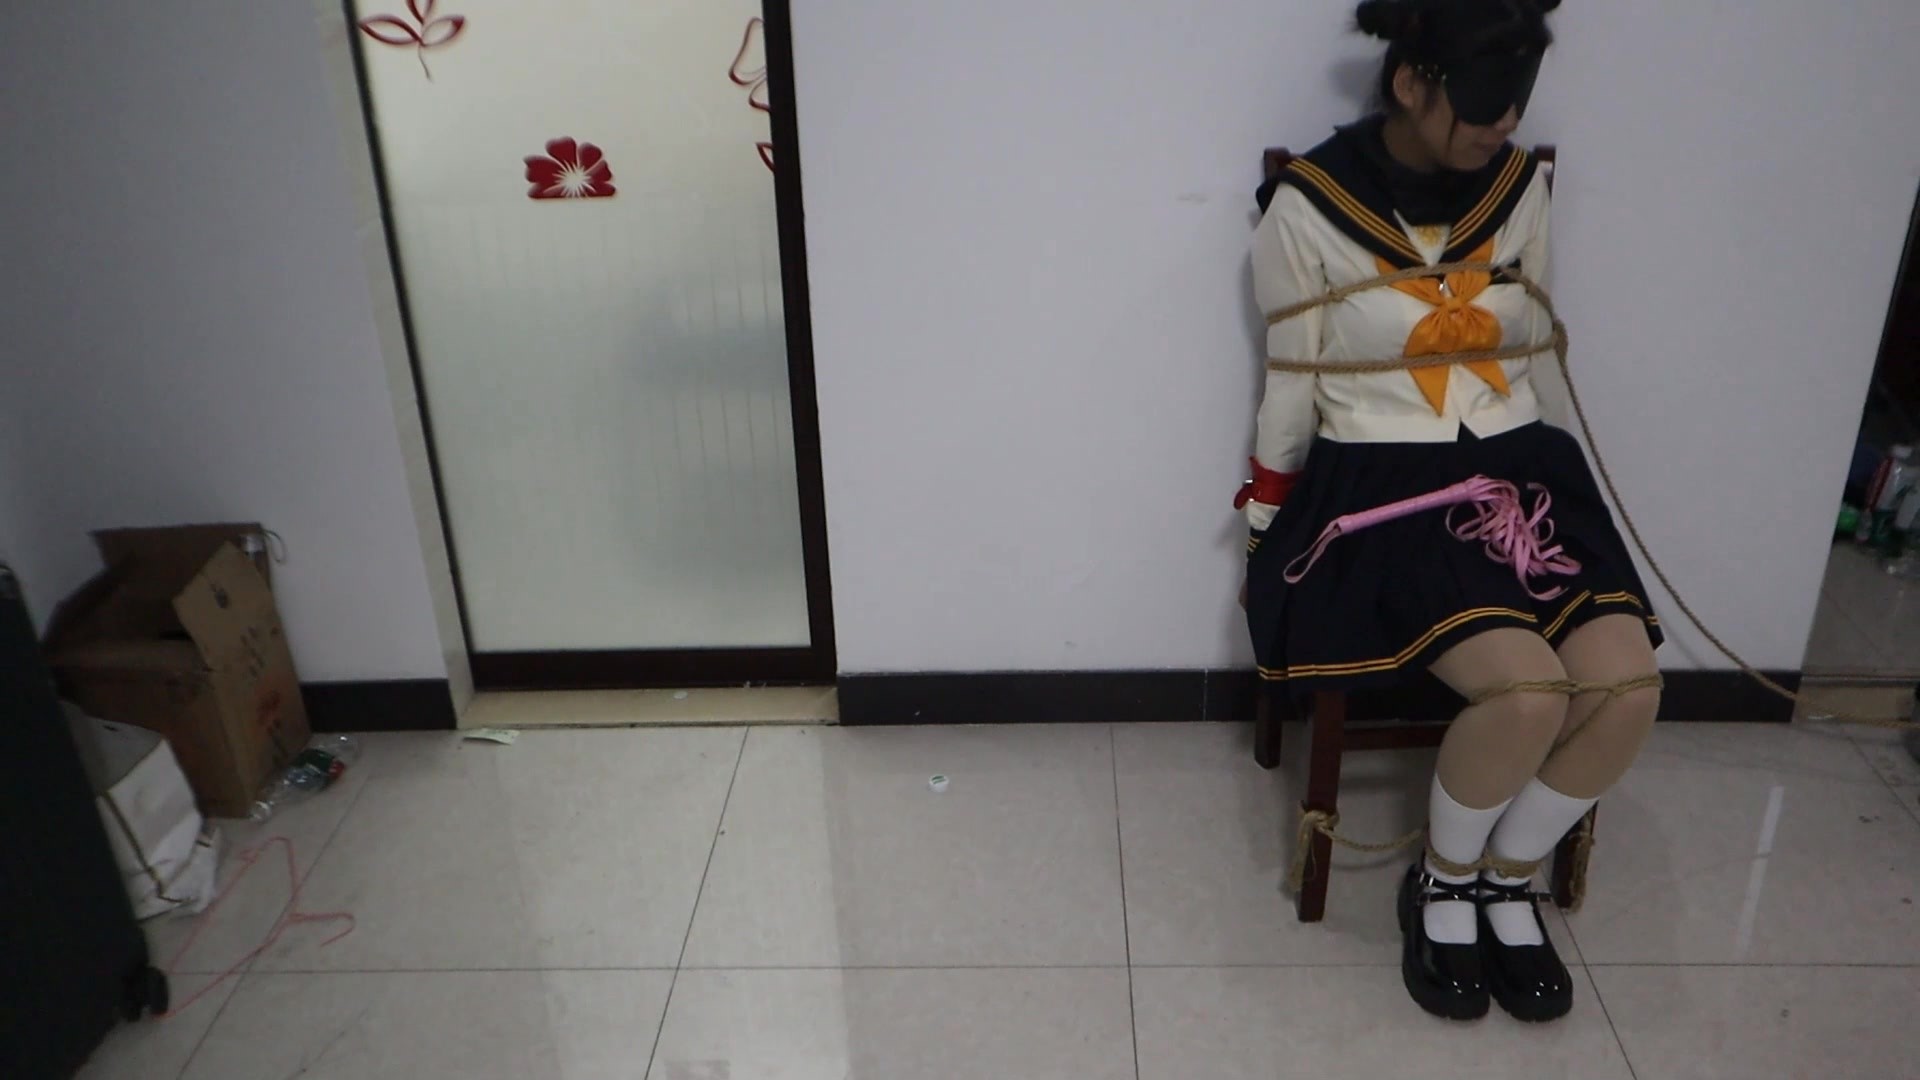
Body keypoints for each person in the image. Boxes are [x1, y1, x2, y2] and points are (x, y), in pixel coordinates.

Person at [1239, 0, 1662, 1023]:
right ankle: (1440, 881)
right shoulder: (1309, 207)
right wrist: (1265, 519)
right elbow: (1293, 380)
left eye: (1515, 103)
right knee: (1528, 693)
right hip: (1386, 482)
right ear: (1411, 84)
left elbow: (1537, 352)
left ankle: (1505, 880)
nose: (1501, 124)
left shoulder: (1518, 190)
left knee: (1627, 688)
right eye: (1480, 101)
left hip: (1520, 469)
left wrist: (1571, 485)